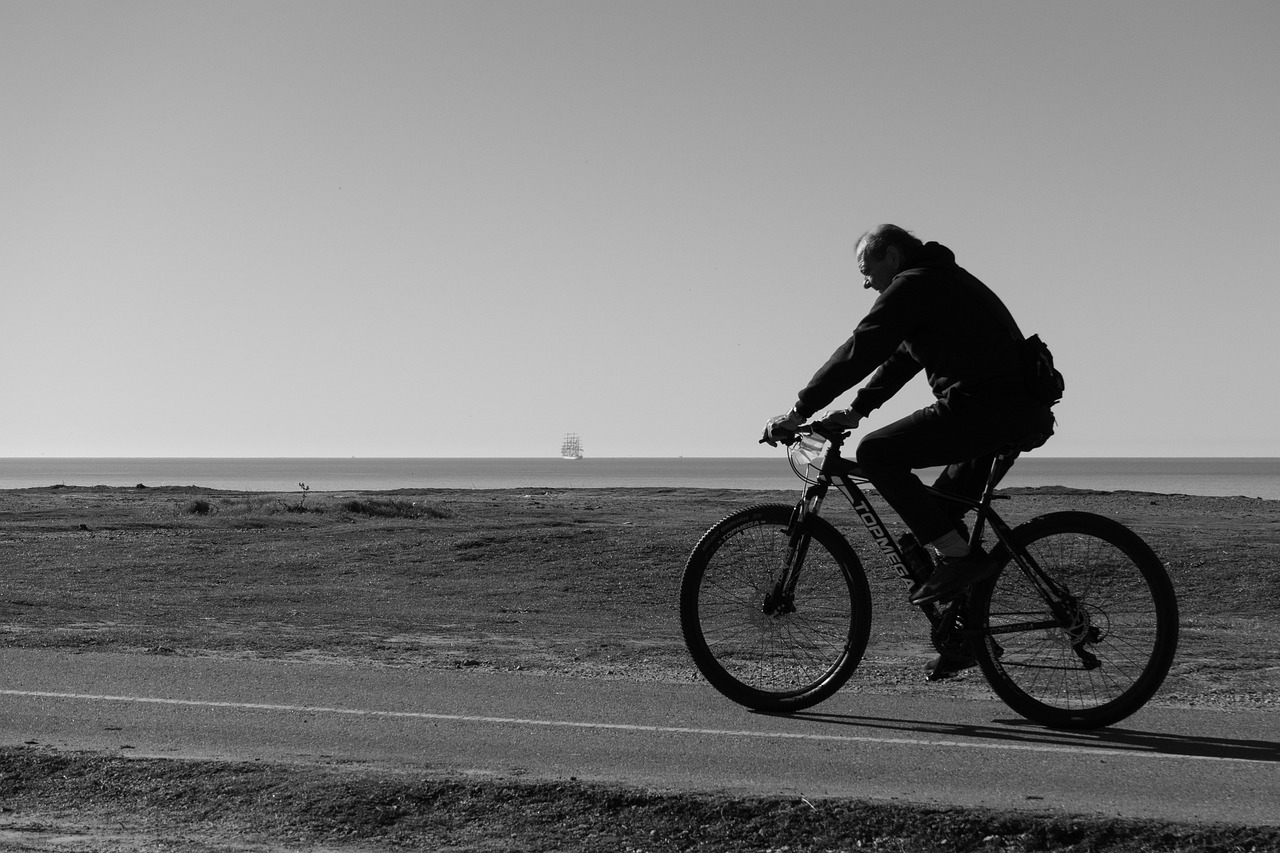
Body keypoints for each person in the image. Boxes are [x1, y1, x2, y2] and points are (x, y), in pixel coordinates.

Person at [763, 224, 1057, 609]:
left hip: (985, 409)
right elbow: (903, 357)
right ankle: (962, 638)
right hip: (1014, 411)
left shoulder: (916, 284)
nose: (866, 284)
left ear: (892, 257)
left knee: (877, 454)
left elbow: (862, 348)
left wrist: (799, 411)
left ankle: (961, 561)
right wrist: (856, 410)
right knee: (937, 522)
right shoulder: (941, 280)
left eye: (866, 271)